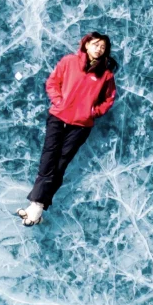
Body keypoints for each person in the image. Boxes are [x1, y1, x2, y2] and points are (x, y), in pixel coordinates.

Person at [18, 33, 116, 225]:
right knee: (49, 159)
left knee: (61, 164)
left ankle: (35, 208)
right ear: (86, 45)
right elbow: (52, 83)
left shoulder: (105, 75)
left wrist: (92, 112)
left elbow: (109, 99)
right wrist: (59, 101)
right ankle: (36, 207)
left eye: (102, 47)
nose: (98, 49)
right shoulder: (69, 62)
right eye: (95, 45)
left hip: (81, 125)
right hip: (58, 117)